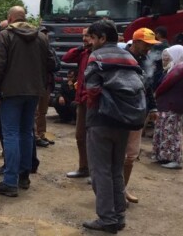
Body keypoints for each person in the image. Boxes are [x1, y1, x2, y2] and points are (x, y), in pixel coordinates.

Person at [82, 19, 146, 233]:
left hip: (101, 121)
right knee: (116, 169)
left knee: (100, 170)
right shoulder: (130, 57)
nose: (90, 42)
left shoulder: (97, 56)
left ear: (102, 38)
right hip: (125, 122)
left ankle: (107, 219)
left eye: (92, 38)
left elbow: (91, 90)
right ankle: (119, 216)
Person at [0, 6, 56, 197]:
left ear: (9, 18)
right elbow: (52, 63)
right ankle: (24, 176)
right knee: (27, 132)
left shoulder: (5, 35)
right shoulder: (41, 36)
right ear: (24, 17)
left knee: (10, 134)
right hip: (34, 92)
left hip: (11, 91)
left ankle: (10, 181)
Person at [122, 28, 160, 204]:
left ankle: (123, 189)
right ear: (136, 42)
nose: (149, 49)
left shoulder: (145, 61)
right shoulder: (121, 58)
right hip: (121, 114)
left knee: (130, 156)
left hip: (138, 113)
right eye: (147, 45)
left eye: (151, 45)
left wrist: (152, 108)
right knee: (117, 155)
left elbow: (148, 86)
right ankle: (112, 191)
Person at [153, 45, 183, 170]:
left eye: (168, 57)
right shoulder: (178, 67)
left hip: (171, 106)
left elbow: (165, 85)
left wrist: (155, 94)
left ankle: (174, 159)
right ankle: (164, 157)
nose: (165, 60)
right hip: (169, 105)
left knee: (171, 133)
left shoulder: (180, 68)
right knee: (167, 131)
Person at [62, 28, 92, 179]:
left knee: (95, 138)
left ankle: (96, 172)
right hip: (81, 100)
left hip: (94, 102)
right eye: (83, 36)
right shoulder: (83, 53)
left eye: (87, 36)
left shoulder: (99, 54)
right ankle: (83, 167)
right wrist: (81, 48)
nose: (84, 39)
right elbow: (67, 58)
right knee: (80, 136)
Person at [34, 27, 57, 147]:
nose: (45, 36)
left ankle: (41, 134)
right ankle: (35, 136)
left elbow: (56, 65)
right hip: (35, 84)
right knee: (35, 111)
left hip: (47, 83)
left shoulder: (50, 49)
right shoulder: (32, 49)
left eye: (46, 34)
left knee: (43, 112)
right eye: (43, 34)